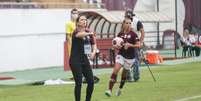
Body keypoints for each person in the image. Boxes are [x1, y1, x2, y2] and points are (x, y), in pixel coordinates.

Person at [105, 18, 140, 97]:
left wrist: (130, 45)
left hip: (130, 58)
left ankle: (120, 88)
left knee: (124, 74)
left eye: (130, 23)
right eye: (127, 23)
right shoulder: (120, 34)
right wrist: (115, 46)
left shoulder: (134, 34)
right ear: (123, 24)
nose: (128, 25)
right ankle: (109, 90)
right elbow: (116, 45)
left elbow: (138, 45)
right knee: (116, 70)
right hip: (121, 55)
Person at [69, 14, 97, 101]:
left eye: (85, 19)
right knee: (79, 83)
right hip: (75, 60)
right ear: (77, 22)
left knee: (91, 82)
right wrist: (89, 33)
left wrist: (93, 52)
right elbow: (80, 35)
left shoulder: (88, 32)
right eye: (81, 20)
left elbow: (94, 44)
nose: (84, 21)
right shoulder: (76, 31)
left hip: (85, 60)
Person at [125, 9, 145, 82]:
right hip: (126, 44)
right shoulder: (124, 22)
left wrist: (141, 42)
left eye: (129, 16)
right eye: (127, 16)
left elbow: (142, 32)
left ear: (132, 16)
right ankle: (128, 77)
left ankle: (136, 77)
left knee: (135, 60)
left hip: (135, 44)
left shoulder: (137, 22)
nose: (128, 17)